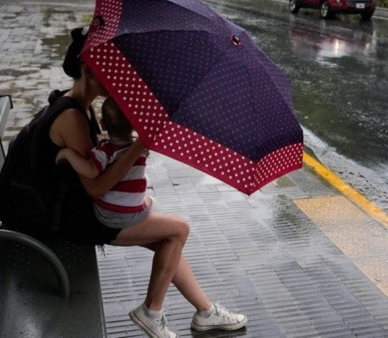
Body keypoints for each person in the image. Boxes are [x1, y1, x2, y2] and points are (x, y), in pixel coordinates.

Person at [41, 25, 248, 337]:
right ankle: (152, 312)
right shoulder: (72, 116)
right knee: (178, 230)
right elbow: (97, 185)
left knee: (168, 241)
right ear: (88, 70)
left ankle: (205, 311)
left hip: (79, 208)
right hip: (78, 218)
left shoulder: (80, 107)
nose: (114, 80)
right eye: (106, 71)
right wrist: (138, 147)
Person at [55, 97, 153, 229]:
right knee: (151, 200)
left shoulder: (105, 151)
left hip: (106, 214)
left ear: (102, 124)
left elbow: (90, 172)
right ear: (133, 124)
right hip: (133, 214)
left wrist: (68, 154)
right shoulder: (140, 149)